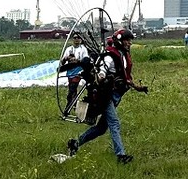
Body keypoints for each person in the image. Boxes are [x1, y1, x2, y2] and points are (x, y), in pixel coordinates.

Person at [63, 28, 148, 165]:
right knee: (114, 123)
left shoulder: (122, 55)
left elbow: (124, 76)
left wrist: (138, 88)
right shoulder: (109, 57)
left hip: (115, 96)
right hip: (106, 95)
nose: (129, 43)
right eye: (127, 40)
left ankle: (75, 143)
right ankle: (121, 155)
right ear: (120, 41)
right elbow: (102, 71)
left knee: (101, 129)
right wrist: (102, 78)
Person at [59, 32, 91, 118]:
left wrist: (77, 61)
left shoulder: (83, 49)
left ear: (81, 40)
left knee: (72, 90)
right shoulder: (69, 49)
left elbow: (86, 60)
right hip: (70, 71)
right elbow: (62, 61)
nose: (76, 40)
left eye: (78, 38)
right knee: (72, 90)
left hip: (78, 71)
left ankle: (67, 109)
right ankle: (74, 107)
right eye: (75, 38)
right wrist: (67, 58)